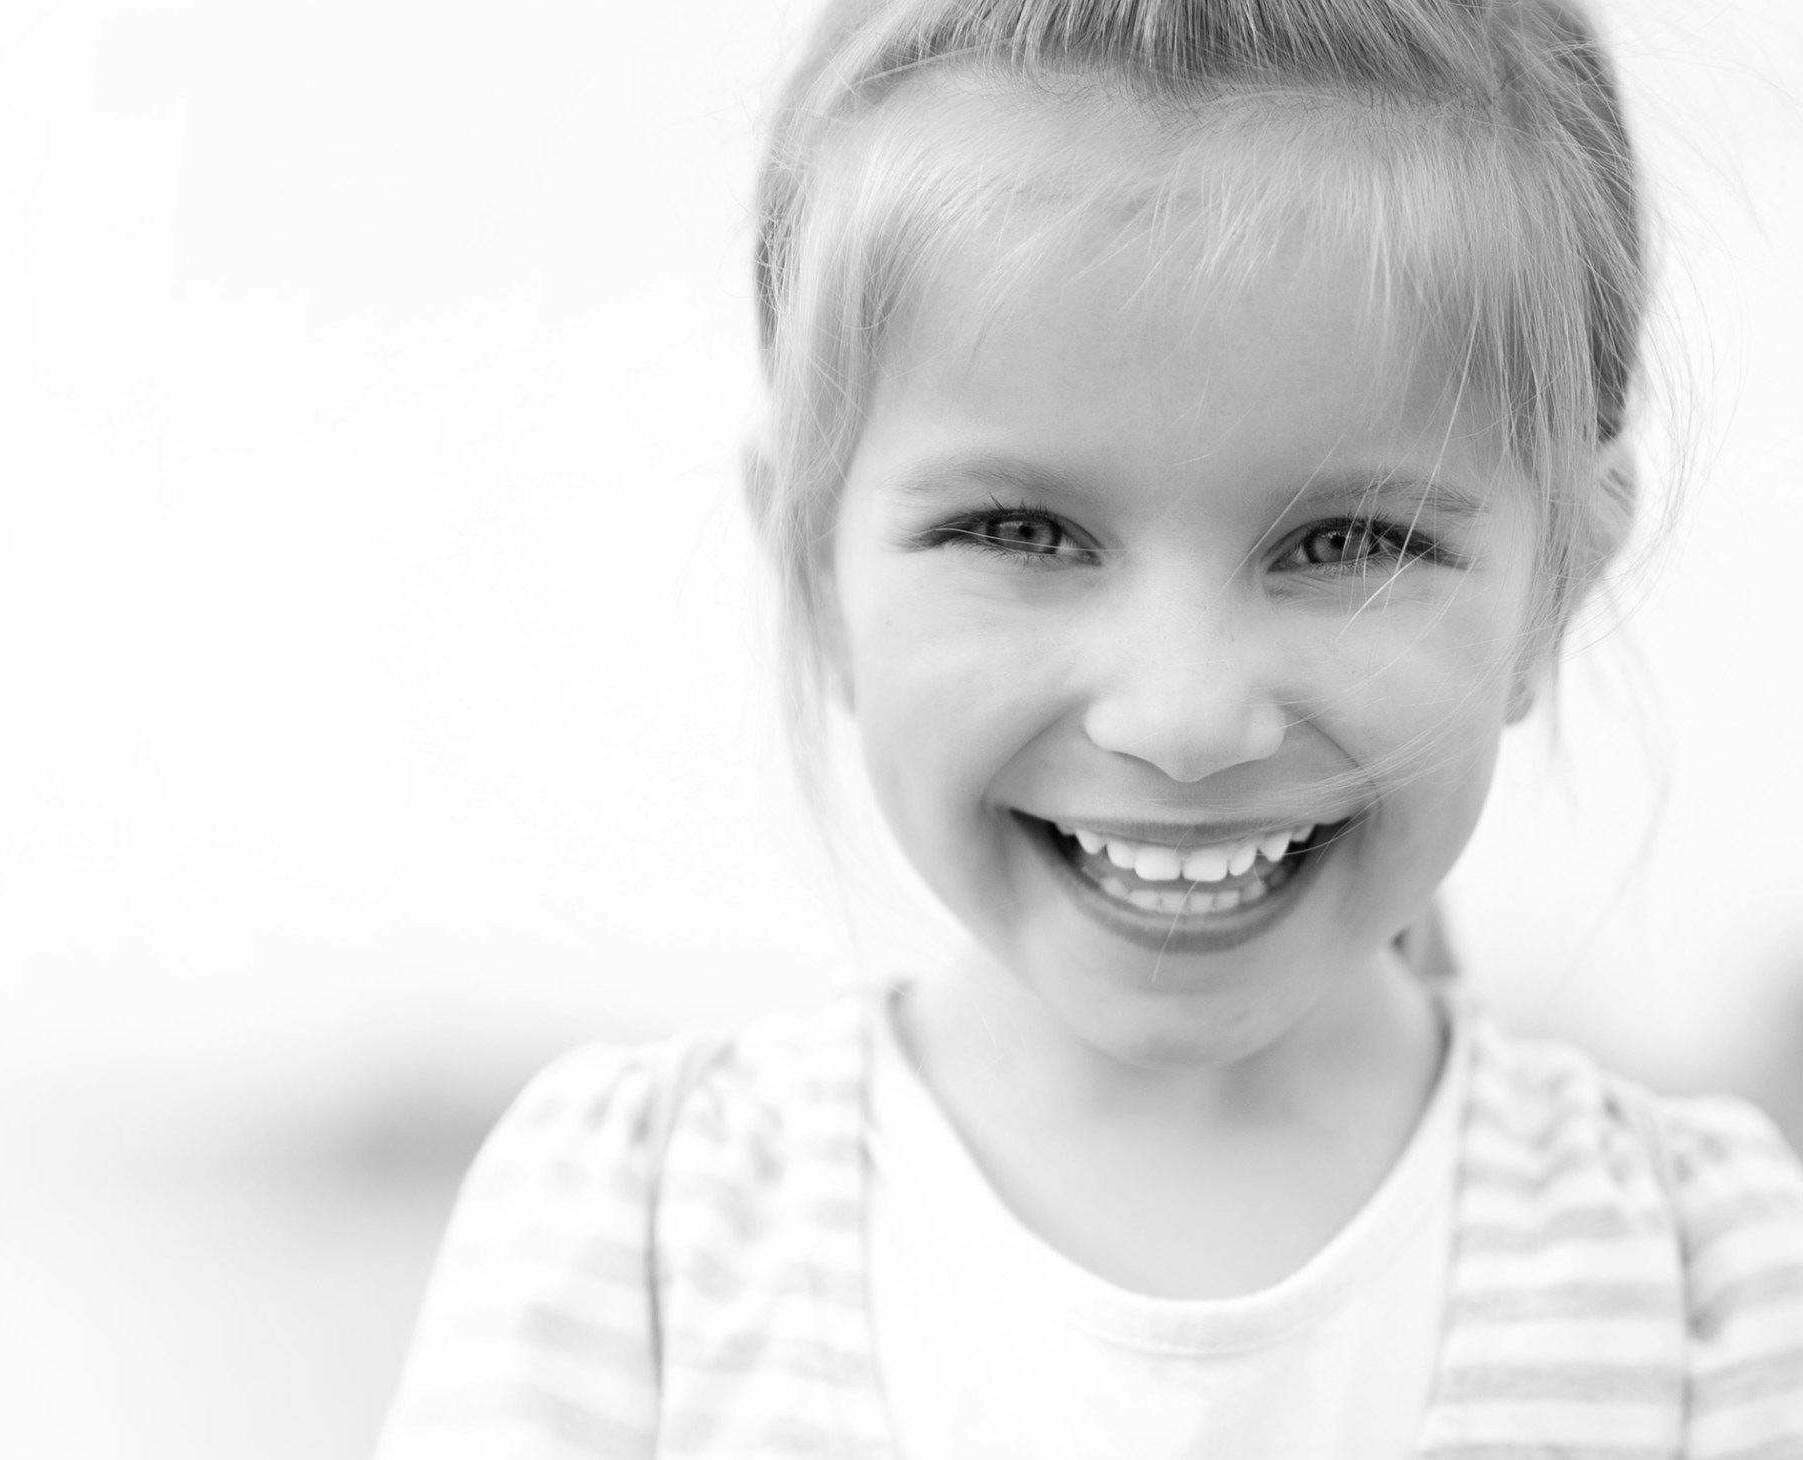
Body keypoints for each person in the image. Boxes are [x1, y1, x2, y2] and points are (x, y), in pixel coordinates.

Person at [376, 0, 1803, 1454]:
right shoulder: (635, 1252)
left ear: (1558, 582)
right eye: (1024, 530)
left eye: (1348, 540)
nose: (1184, 719)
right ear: (816, 564)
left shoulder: (1710, 1290)